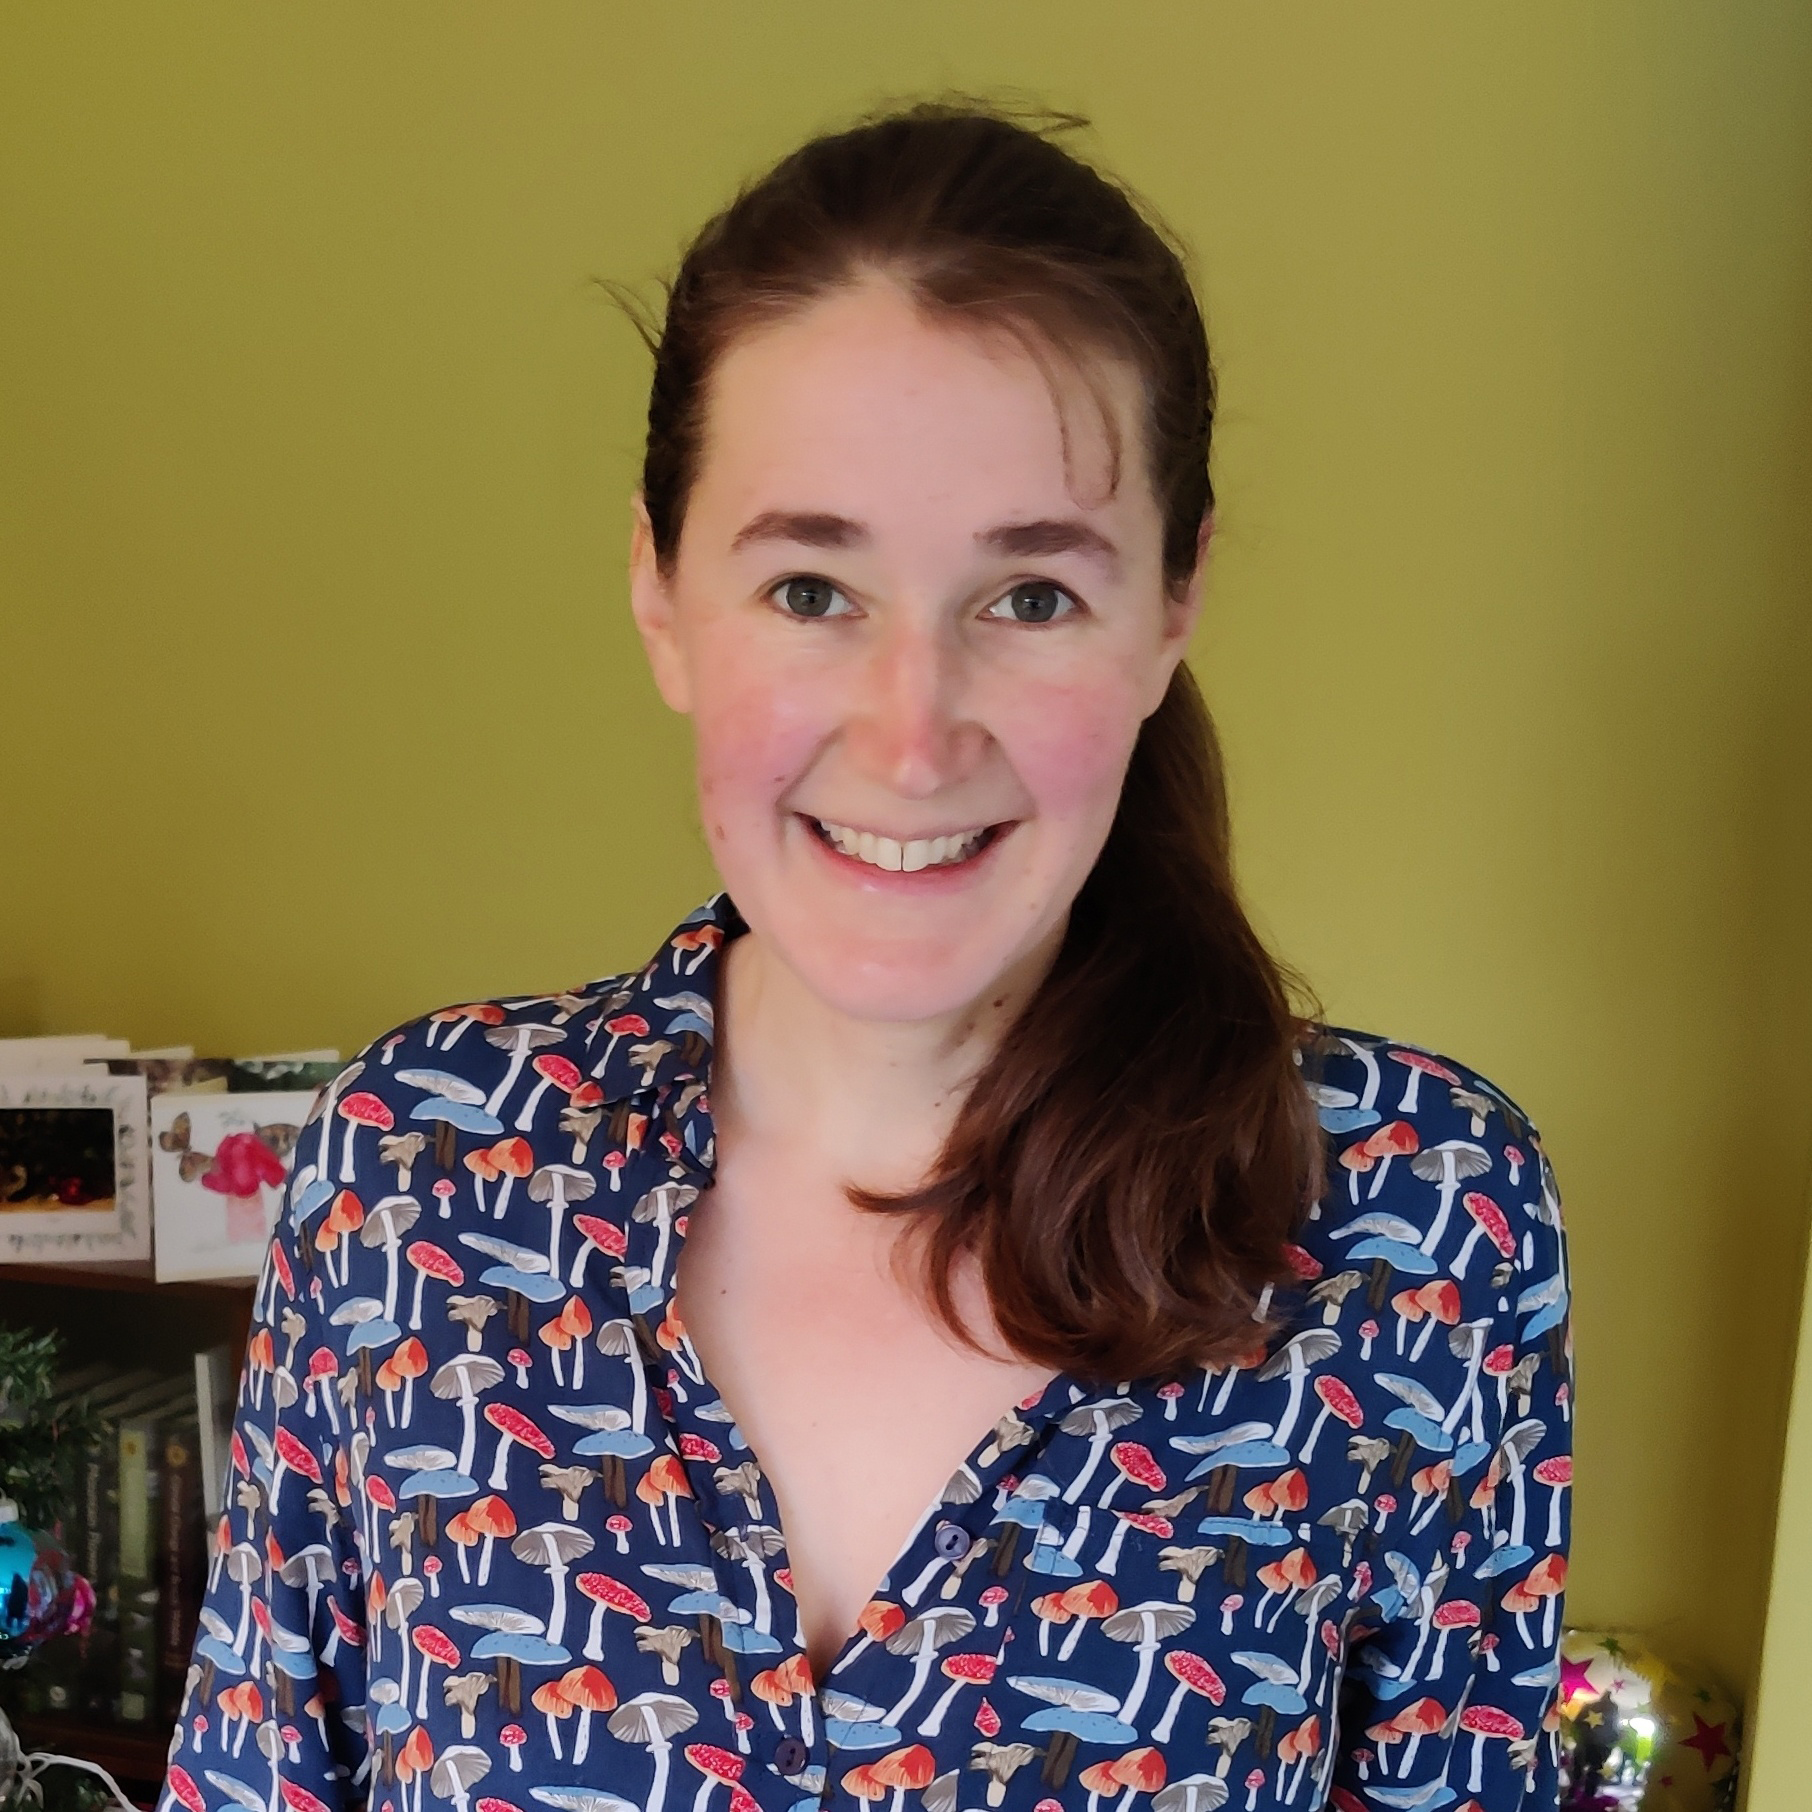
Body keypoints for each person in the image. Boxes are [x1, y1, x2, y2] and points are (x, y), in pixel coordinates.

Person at [160, 104, 1571, 1812]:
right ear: (661, 591)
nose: (914, 740)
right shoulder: (416, 1182)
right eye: (813, 588)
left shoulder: (1422, 1223)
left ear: (1173, 603)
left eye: (1031, 597)